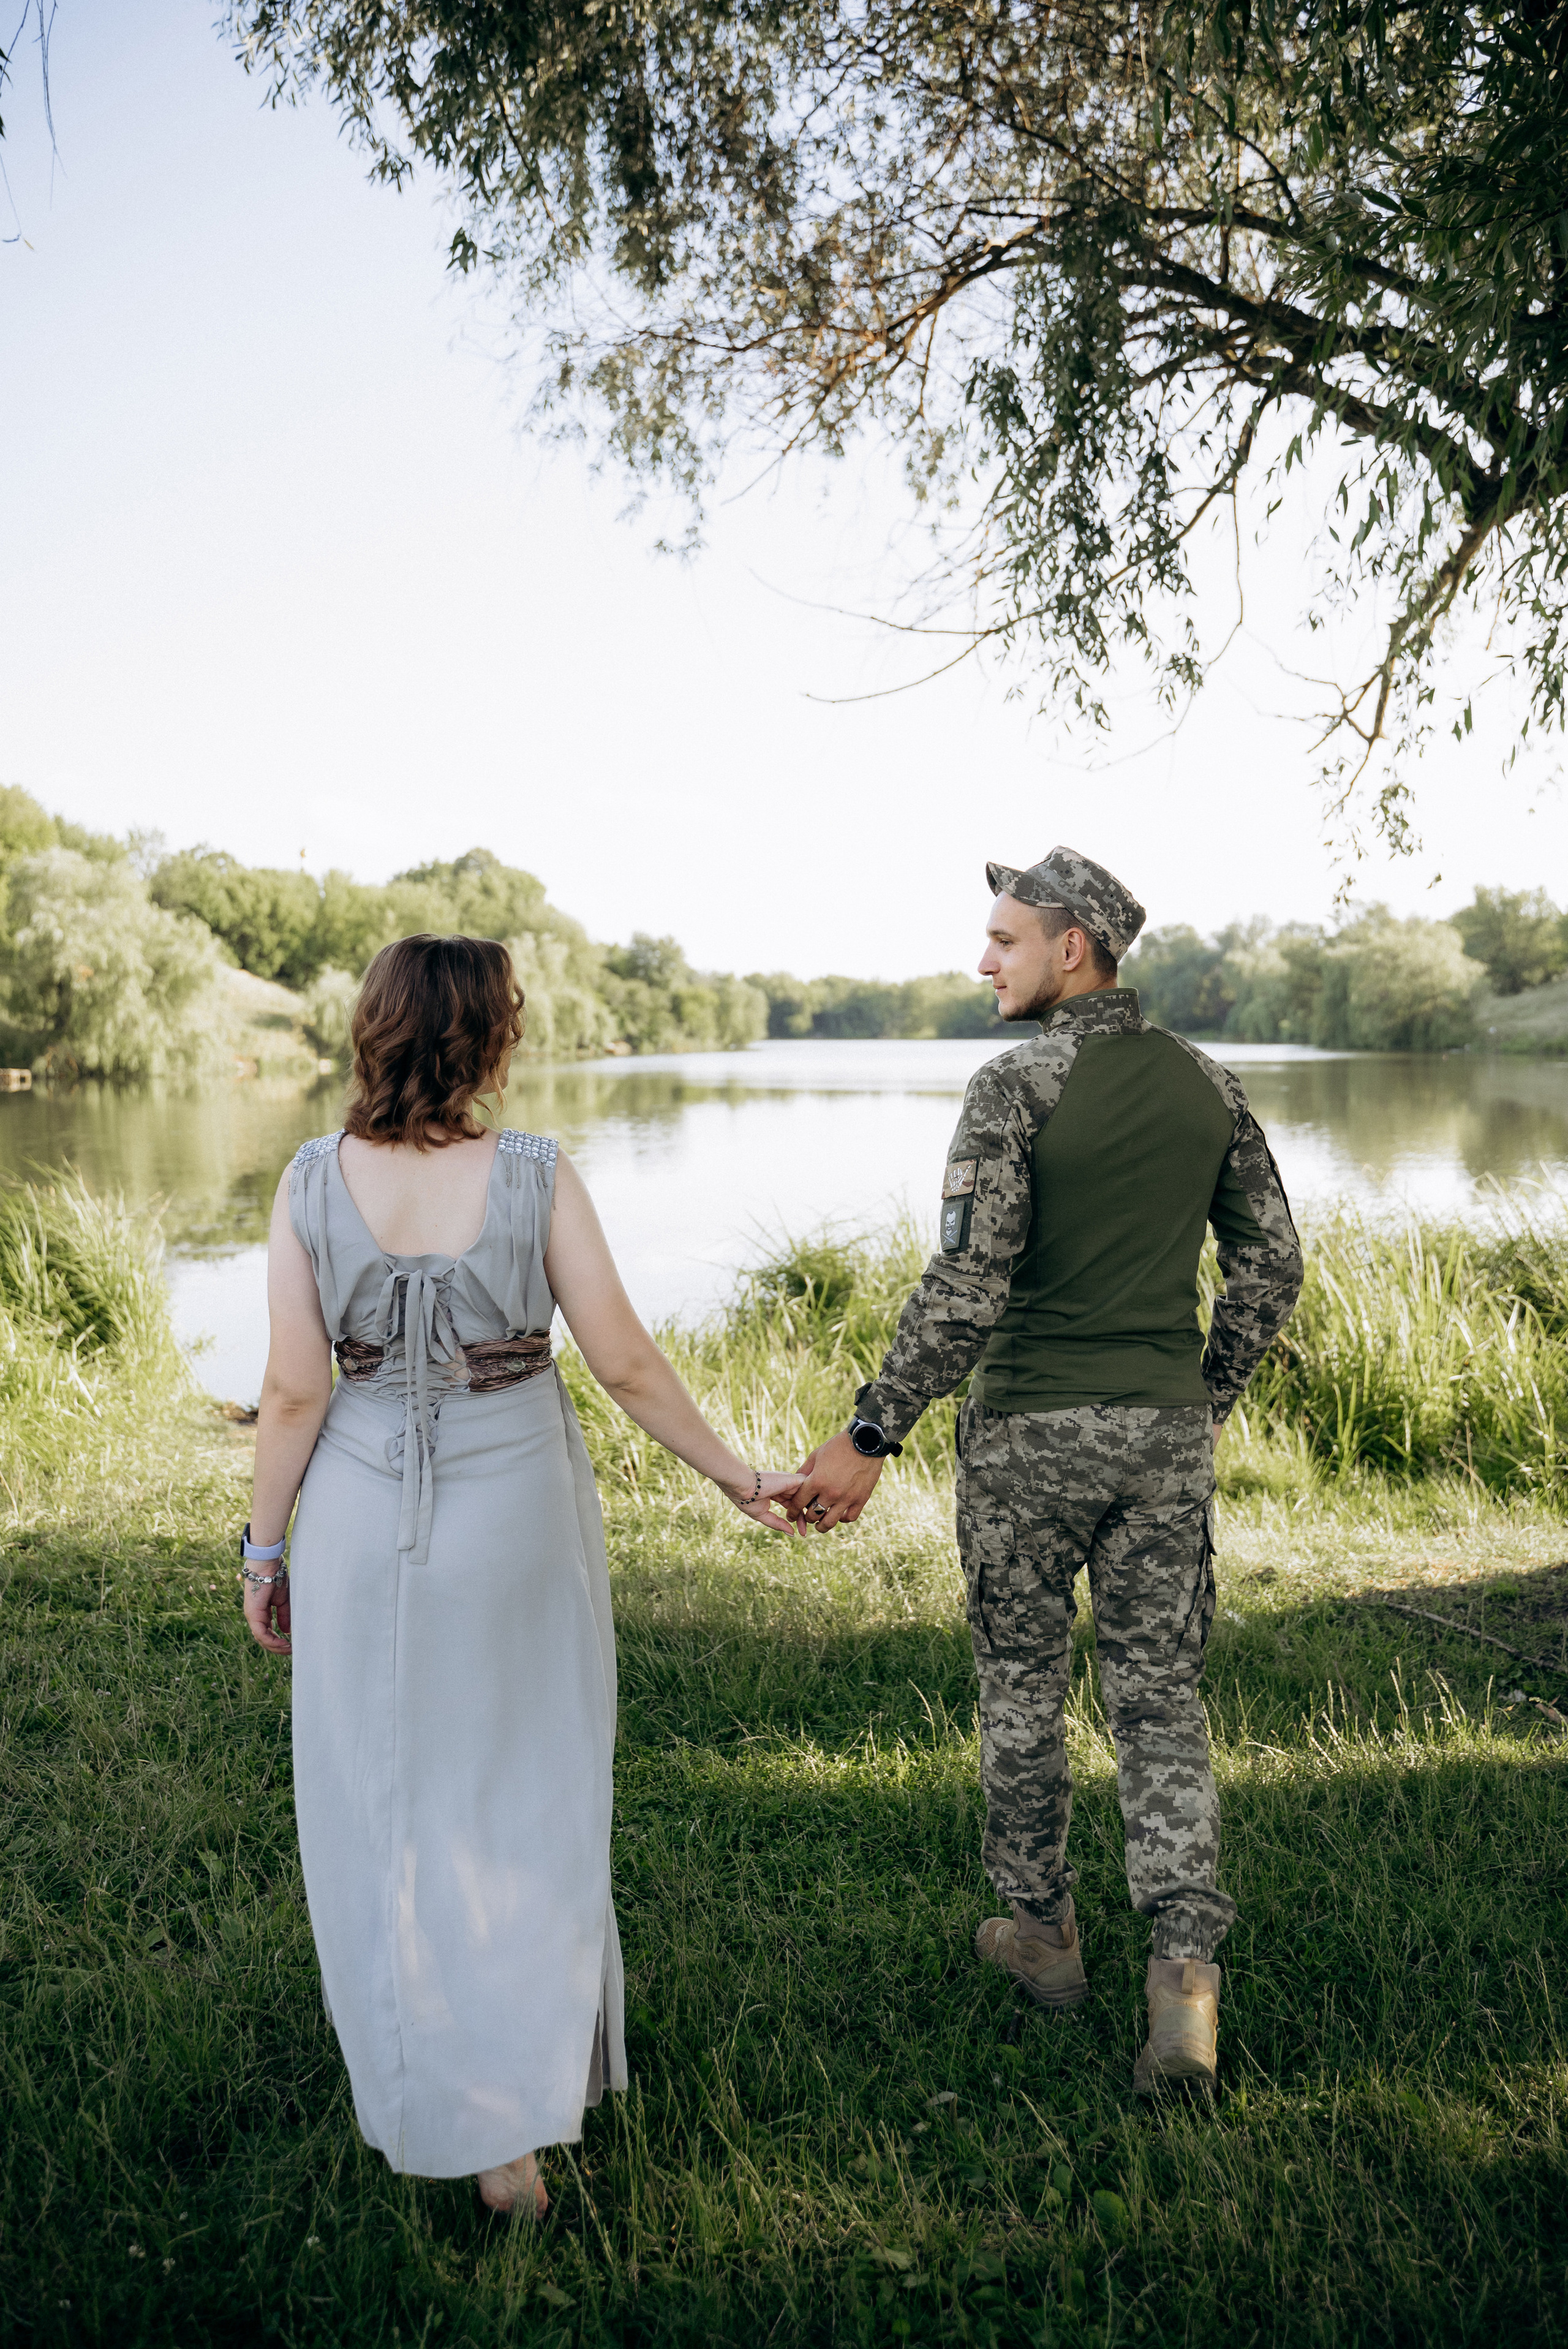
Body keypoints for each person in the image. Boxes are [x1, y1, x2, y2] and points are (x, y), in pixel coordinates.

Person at [241, 935, 801, 2214]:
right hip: (516, 1516)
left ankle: (448, 2095)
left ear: (373, 1032)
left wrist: (264, 1549)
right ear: (490, 1038)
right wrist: (732, 1473)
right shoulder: (538, 1174)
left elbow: (291, 1390)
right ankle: (517, 2119)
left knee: (385, 1802)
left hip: (359, 1516)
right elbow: (629, 1366)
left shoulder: (309, 1180)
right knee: (524, 1790)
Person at [790, 849, 1303, 2097]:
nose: (983, 961)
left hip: (1026, 1439)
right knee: (1159, 1703)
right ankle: (1182, 1983)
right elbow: (1270, 1268)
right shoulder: (1209, 1085)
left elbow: (967, 1290)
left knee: (1022, 1689)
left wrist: (866, 1436)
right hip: (1160, 1437)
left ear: (1070, 947)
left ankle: (1042, 1939)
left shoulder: (1015, 1086)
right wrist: (1198, 1395)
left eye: (1003, 939)